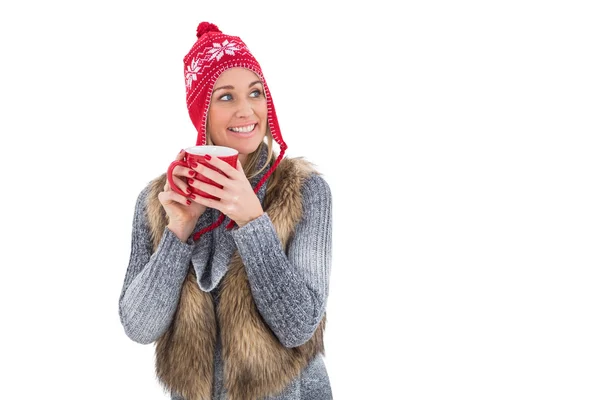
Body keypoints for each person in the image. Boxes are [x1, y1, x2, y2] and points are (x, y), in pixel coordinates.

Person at [118, 21, 333, 400]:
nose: (247, 110)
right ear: (202, 112)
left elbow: (298, 326)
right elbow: (139, 326)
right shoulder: (159, 199)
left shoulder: (302, 192)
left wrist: (254, 223)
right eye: (226, 97)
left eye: (255, 93)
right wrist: (178, 231)